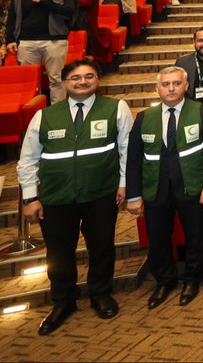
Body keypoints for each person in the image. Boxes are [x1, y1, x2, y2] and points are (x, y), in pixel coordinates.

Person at [17, 59, 132, 334]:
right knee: (59, 253)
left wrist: (124, 184)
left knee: (102, 246)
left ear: (98, 80)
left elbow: (127, 149)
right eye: (76, 78)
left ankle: (100, 293)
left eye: (89, 76)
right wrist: (30, 197)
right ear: (65, 83)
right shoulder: (44, 115)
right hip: (56, 198)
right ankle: (63, 301)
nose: (83, 82)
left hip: (101, 193)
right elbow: (28, 159)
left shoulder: (116, 108)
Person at [126, 65, 203, 309]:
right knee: (158, 237)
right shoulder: (144, 117)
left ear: (186, 86)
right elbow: (134, 159)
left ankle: (192, 279)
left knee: (196, 236)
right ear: (157, 88)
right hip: (156, 189)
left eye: (176, 83)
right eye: (166, 84)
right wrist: (134, 194)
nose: (171, 88)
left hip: (193, 186)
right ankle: (165, 280)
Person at [5, 0, 76, 102]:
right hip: (26, 42)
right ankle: (34, 114)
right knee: (29, 81)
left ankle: (58, 114)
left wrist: (46, 2)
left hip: (55, 41)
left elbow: (69, 13)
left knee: (56, 79)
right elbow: (12, 18)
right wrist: (10, 40)